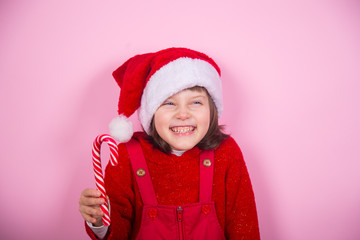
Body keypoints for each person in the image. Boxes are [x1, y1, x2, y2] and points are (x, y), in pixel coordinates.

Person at [79, 47, 260, 239]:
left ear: (212, 109)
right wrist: (99, 221)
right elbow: (118, 233)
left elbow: (245, 227)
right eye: (169, 103)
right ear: (151, 113)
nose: (183, 114)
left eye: (196, 102)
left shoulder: (226, 152)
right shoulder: (127, 155)